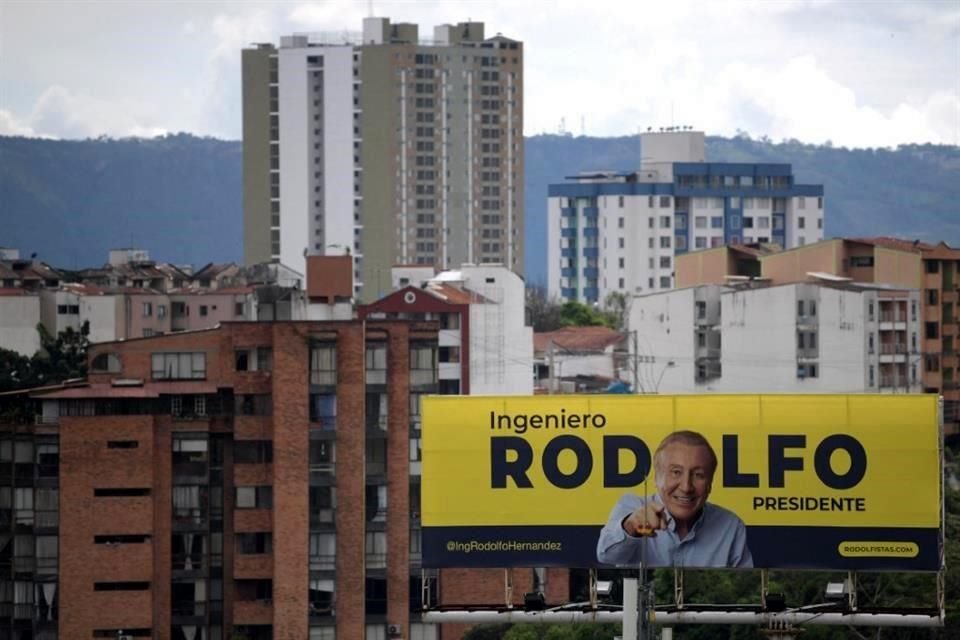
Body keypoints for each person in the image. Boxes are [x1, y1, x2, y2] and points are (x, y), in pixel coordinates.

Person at [596, 430, 752, 568]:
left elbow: (748, 586)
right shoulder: (631, 506)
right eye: (676, 472)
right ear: (657, 478)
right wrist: (632, 526)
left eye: (698, 475)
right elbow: (607, 556)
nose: (686, 487)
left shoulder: (730, 526)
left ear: (710, 483)